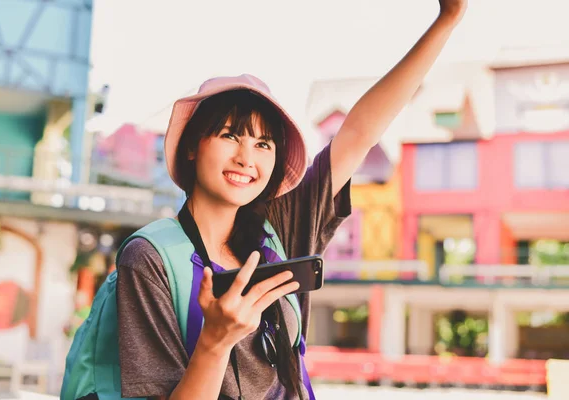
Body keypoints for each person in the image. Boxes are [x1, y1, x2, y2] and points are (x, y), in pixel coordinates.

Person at [115, 1, 467, 399]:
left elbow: (359, 132)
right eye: (229, 135)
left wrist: (448, 20)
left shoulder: (278, 229)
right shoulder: (150, 258)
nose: (247, 158)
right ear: (193, 146)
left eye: (263, 143)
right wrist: (215, 343)